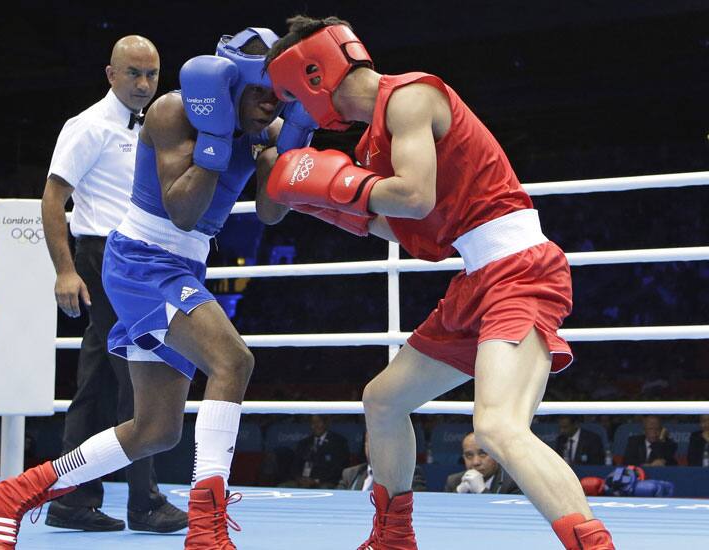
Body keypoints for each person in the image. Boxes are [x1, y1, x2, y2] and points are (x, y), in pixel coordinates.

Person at [263, 16, 615, 549]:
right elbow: (414, 236)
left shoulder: (410, 97)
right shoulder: (375, 147)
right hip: (476, 279)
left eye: (291, 96)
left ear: (313, 76)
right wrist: (322, 201)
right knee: (383, 400)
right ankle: (393, 538)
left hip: (519, 270)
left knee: (497, 426)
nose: (296, 110)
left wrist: (335, 183)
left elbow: (413, 198)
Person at [0, 27, 316, 549]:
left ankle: (12, 495)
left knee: (156, 429)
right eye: (263, 90)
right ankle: (207, 528)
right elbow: (182, 210)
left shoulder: (263, 125)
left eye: (280, 95)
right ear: (232, 84)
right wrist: (218, 142)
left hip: (183, 268)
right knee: (233, 362)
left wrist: (292, 149)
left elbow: (270, 214)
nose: (272, 103)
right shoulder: (171, 113)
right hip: (141, 261)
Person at [41, 34, 186, 534]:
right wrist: (64, 269)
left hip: (137, 258)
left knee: (98, 381)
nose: (145, 84)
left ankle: (72, 499)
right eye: (134, 74)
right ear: (111, 74)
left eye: (152, 74)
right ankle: (143, 502)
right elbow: (52, 199)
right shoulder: (87, 126)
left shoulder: (158, 125)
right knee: (139, 373)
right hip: (105, 257)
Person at [340, 431, 427, 491]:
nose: (375, 446)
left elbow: (420, 502)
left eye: (380, 441)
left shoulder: (408, 473)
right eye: (370, 441)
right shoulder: (351, 474)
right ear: (365, 445)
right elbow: (335, 501)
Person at [282, 414, 349, 489]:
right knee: (284, 487)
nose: (315, 425)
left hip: (324, 482)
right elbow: (295, 466)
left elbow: (338, 468)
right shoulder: (304, 443)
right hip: (302, 482)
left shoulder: (338, 442)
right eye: (312, 423)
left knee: (324, 488)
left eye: (318, 422)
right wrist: (299, 479)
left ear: (326, 423)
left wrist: (316, 480)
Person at [444, 432, 520, 494]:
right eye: (469, 455)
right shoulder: (454, 481)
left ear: (497, 455)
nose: (476, 462)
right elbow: (442, 511)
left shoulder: (514, 483)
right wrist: (457, 493)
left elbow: (507, 512)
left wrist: (482, 491)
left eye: (483, 454)